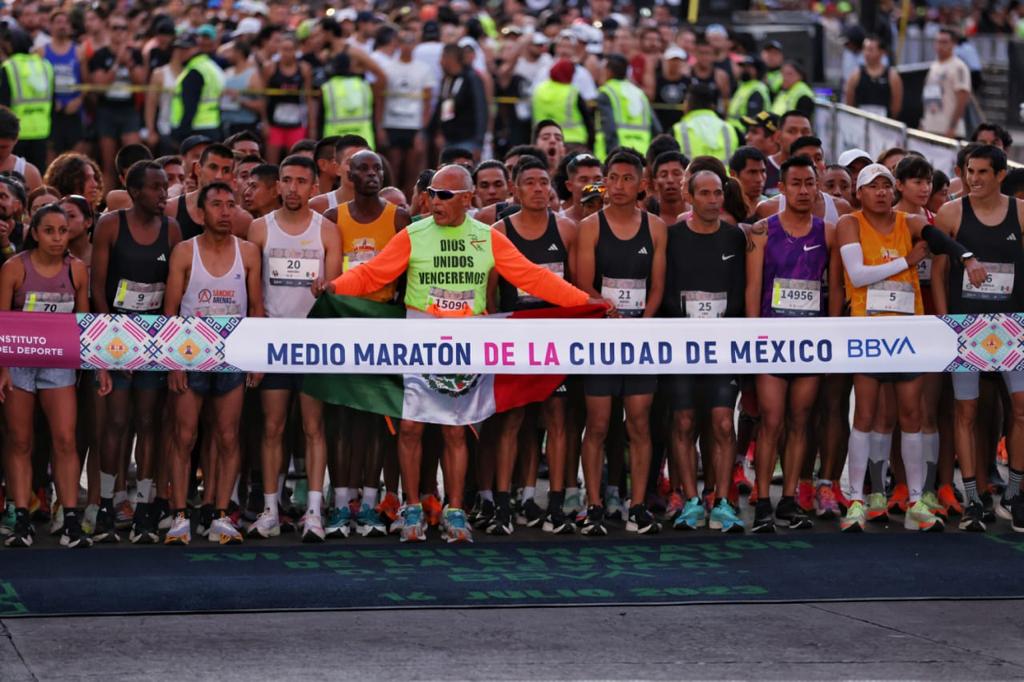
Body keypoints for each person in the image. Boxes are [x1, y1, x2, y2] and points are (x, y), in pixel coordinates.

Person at [323, 164, 600, 543]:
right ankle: (412, 507)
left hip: (466, 343)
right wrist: (335, 287)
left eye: (445, 195)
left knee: (455, 430)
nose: (435, 201)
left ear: (467, 199)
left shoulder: (487, 237)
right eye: (432, 193)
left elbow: (533, 278)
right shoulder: (413, 234)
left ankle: (455, 510)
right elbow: (373, 274)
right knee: (410, 427)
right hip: (420, 340)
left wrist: (585, 302)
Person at [835, 163, 977, 532]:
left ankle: (916, 498)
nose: (881, 192)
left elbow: (940, 238)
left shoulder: (907, 222)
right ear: (859, 193)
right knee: (865, 416)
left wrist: (966, 257)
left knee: (911, 415)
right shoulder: (850, 223)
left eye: (886, 186)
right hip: (868, 331)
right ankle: (858, 499)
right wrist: (906, 261)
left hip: (907, 332)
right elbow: (858, 274)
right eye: (873, 187)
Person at [245, 155, 341, 543]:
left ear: (314, 187)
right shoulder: (259, 229)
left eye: (302, 181)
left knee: (314, 427)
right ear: (278, 184)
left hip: (314, 342)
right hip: (272, 341)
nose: (293, 188)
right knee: (272, 427)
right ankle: (270, 508)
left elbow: (334, 288)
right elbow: (252, 293)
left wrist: (326, 287)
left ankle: (314, 512)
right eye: (286, 180)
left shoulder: (328, 231)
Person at [162, 181, 264, 545]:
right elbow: (170, 312)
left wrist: (256, 358)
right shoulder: (184, 252)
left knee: (228, 435)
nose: (225, 212)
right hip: (190, 355)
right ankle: (178, 516)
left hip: (232, 355)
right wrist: (173, 362)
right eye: (217, 205)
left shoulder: (249, 252)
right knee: (184, 436)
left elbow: (256, 308)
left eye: (230, 205)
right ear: (201, 213)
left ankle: (221, 513)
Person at [745, 155, 842, 533]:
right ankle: (763, 501)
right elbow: (753, 289)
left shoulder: (828, 231)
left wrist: (831, 335)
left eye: (809, 183)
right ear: (781, 188)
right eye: (796, 183)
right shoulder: (761, 231)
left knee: (801, 420)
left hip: (811, 340)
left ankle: (788, 499)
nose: (803, 190)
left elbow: (833, 289)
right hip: (771, 339)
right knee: (772, 420)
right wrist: (754, 340)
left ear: (816, 188)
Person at [0, 204, 107, 548]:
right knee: (20, 440)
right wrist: (2, 367)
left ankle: (71, 517)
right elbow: (1, 321)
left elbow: (85, 324)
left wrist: (99, 365)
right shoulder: (14, 268)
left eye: (63, 230)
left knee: (64, 438)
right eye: (49, 231)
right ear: (34, 232)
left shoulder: (76, 270)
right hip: (17, 361)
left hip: (59, 361)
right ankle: (20, 518)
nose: (58, 238)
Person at [574, 149, 668, 536]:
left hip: (639, 339)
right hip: (602, 337)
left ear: (642, 185)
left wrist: (642, 326)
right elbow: (582, 282)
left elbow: (657, 287)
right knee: (597, 424)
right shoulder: (591, 226)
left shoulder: (656, 228)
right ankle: (594, 504)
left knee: (640, 424)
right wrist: (605, 310)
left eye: (628, 178)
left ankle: (639, 504)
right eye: (613, 178)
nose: (619, 185)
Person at [932, 145, 1024, 532]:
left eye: (984, 172)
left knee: (1021, 409)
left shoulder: (1020, 212)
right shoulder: (952, 212)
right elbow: (938, 272)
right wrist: (944, 322)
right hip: (966, 328)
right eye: (970, 171)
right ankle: (972, 497)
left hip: (1012, 325)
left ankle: (1016, 493)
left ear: (1001, 175)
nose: (974, 179)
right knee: (965, 412)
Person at [486, 156, 579, 535]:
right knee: (512, 421)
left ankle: (555, 504)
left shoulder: (568, 230)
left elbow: (577, 286)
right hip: (515, 338)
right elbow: (490, 294)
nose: (539, 189)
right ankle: (503, 505)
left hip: (554, 340)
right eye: (530, 183)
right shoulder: (499, 231)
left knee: (557, 421)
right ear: (515, 189)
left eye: (544, 182)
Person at [90, 160, 182, 543]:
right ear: (134, 191)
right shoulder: (111, 225)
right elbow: (97, 289)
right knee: (115, 423)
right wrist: (114, 347)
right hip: (114, 335)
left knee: (149, 422)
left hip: (154, 338)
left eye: (166, 187)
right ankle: (107, 506)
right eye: (156, 188)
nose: (164, 194)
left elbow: (172, 293)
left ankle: (145, 508)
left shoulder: (172, 229)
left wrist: (155, 343)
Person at [320, 150, 410, 537]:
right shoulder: (332, 219)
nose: (373, 174)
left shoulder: (398, 217)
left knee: (375, 419)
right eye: (364, 168)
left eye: (378, 168)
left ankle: (371, 504)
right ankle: (341, 504)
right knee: (340, 418)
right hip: (342, 325)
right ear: (349, 176)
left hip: (383, 326)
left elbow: (407, 275)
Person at [663, 170, 746, 533]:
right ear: (690, 198)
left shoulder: (735, 238)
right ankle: (692, 500)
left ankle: (724, 501)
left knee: (723, 423)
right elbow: (663, 290)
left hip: (724, 346)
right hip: (680, 346)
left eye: (718, 193)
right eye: (705, 194)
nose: (713, 200)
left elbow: (743, 292)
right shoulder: (672, 238)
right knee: (683, 422)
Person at [381, 25, 433, 198]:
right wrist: (380, 125)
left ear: (415, 44)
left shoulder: (423, 69)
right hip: (392, 122)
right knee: (394, 165)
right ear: (397, 43)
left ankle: (411, 199)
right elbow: (381, 99)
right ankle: (392, 197)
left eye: (411, 41)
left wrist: (422, 130)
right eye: (403, 41)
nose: (407, 45)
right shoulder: (388, 68)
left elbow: (427, 102)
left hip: (413, 124)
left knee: (412, 168)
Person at [166, 143, 250, 240]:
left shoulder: (243, 219)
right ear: (198, 169)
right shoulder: (171, 209)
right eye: (213, 167)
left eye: (226, 170)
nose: (219, 176)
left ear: (232, 176)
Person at [0, 28, 53, 172]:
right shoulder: (45, 65)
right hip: (42, 130)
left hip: (15, 132)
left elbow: (3, 103)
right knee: (36, 176)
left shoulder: (9, 67)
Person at [40, 8, 89, 158]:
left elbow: (87, 83)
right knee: (51, 158)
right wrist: (52, 102)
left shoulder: (79, 51)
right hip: (52, 112)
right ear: (50, 26)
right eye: (58, 22)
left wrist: (79, 100)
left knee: (75, 158)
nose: (62, 26)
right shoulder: (41, 52)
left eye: (66, 22)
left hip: (74, 111)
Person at [595, 54, 659, 161]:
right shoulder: (640, 93)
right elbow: (656, 128)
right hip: (642, 154)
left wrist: (611, 157)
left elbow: (609, 128)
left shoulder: (606, 92)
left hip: (616, 153)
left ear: (608, 71)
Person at [431, 43, 488, 161]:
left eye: (442, 57)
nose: (440, 62)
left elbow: (481, 110)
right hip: (448, 140)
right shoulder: (447, 80)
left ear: (450, 58)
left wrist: (479, 142)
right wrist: (440, 132)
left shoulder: (471, 78)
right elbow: (446, 109)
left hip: (468, 140)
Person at [263, 33, 314, 164]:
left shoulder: (304, 68)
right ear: (279, 50)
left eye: (290, 49)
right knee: (272, 163)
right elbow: (263, 97)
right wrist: (264, 122)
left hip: (296, 123)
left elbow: (309, 97)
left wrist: (312, 125)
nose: (287, 53)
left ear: (296, 51)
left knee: (295, 162)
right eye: (284, 49)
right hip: (275, 123)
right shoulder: (270, 67)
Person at [170, 33, 226, 144]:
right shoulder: (211, 66)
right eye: (179, 49)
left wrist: (181, 132)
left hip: (194, 129)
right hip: (212, 125)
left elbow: (190, 106)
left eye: (186, 48)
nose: (181, 53)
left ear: (196, 48)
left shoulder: (195, 71)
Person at [920, 28, 972, 139]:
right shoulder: (934, 66)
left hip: (948, 130)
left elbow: (962, 98)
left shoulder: (958, 67)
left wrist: (952, 127)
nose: (940, 45)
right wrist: (924, 121)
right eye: (937, 41)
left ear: (953, 44)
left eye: (944, 42)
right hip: (930, 127)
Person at [673, 84, 738, 164]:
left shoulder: (678, 129)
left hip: (691, 176)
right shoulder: (729, 128)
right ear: (712, 105)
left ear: (689, 103)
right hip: (724, 176)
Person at [531, 59, 590, 149]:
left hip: (543, 141)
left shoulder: (539, 90)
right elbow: (587, 118)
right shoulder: (572, 91)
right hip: (574, 140)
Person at [320, 53, 375, 147]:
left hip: (334, 138)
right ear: (350, 66)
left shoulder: (327, 87)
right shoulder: (363, 85)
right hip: (363, 137)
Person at [843, 35, 902, 119]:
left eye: (871, 50)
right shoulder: (856, 74)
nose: (867, 53)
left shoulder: (892, 76)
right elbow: (849, 100)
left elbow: (896, 105)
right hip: (860, 123)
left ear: (882, 52)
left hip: (883, 124)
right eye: (865, 49)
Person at [309, 135, 370, 214]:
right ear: (337, 168)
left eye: (363, 162)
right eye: (350, 162)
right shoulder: (317, 206)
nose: (358, 167)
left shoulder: (386, 204)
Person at [726, 56, 771, 132]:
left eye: (749, 67)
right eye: (743, 67)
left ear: (757, 70)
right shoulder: (743, 86)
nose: (744, 70)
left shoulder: (757, 89)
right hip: (734, 132)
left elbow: (754, 119)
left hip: (744, 134)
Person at [652, 46, 690, 133]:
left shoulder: (687, 82)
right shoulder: (657, 81)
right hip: (660, 125)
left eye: (678, 60)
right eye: (672, 60)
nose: (675, 63)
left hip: (680, 127)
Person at [729, 145, 768, 222]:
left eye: (763, 171)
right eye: (752, 172)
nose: (759, 179)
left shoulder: (773, 208)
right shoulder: (722, 207)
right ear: (733, 174)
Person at [562, 152, 604, 223]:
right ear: (569, 186)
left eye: (597, 179)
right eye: (584, 180)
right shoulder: (558, 223)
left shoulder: (617, 220)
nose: (592, 185)